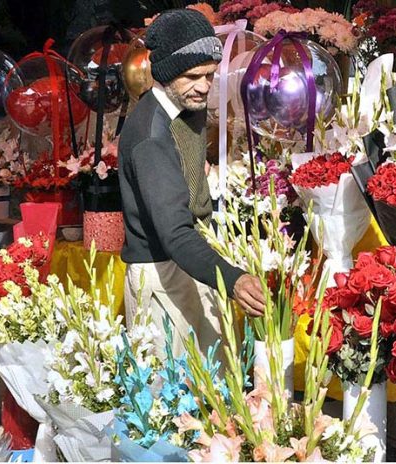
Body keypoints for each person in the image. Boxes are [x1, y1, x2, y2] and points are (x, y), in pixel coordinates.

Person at [118, 9, 264, 355]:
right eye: (193, 76)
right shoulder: (151, 139)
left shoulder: (188, 107)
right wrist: (233, 279)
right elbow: (175, 233)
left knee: (215, 392)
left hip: (194, 262)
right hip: (162, 273)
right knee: (175, 398)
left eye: (210, 75)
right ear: (166, 73)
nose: (204, 86)